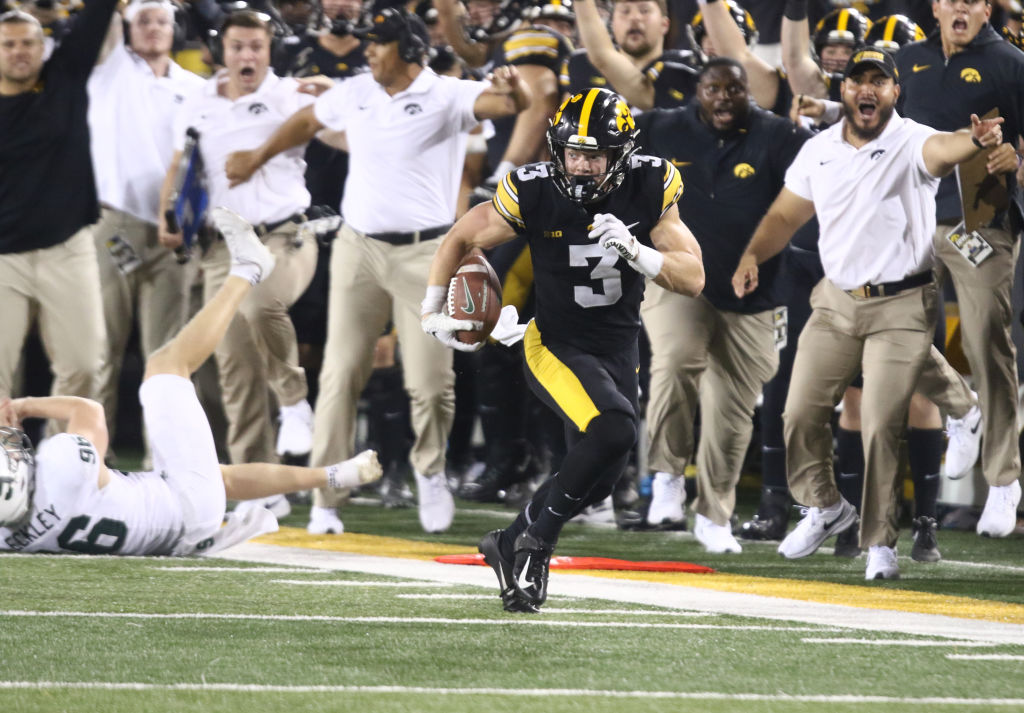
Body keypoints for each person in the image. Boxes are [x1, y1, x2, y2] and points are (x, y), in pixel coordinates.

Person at [224, 6, 530, 534]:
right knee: (340, 374)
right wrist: (256, 156)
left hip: (427, 253)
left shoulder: (446, 93)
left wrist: (515, 89)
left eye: (379, 43)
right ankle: (327, 497)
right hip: (358, 248)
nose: (368, 50)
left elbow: (506, 103)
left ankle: (429, 471)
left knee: (431, 384)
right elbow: (306, 121)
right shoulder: (358, 90)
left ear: (409, 50)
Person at [423, 88, 704, 612]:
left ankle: (508, 541)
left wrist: (639, 251)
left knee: (596, 480)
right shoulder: (534, 189)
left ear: (621, 154)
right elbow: (461, 237)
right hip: (553, 342)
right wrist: (433, 307)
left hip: (618, 348)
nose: (579, 166)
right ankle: (533, 548)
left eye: (593, 155)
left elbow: (693, 278)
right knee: (615, 428)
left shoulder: (650, 184)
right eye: (572, 153)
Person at [732, 48, 1004, 580]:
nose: (868, 89)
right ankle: (826, 506)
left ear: (895, 93)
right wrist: (750, 255)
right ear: (844, 91)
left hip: (903, 300)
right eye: (859, 80)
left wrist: (975, 139)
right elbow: (787, 213)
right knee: (798, 411)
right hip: (836, 300)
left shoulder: (910, 140)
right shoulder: (819, 151)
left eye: (880, 81)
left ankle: (879, 542)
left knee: (881, 422)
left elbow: (944, 150)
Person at [0, 207, 382, 556]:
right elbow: (89, 412)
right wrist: (25, 405)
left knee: (220, 479)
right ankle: (247, 269)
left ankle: (333, 475)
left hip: (178, 530)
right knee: (166, 366)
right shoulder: (59, 468)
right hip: (179, 504)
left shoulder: (9, 536)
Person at [631, 58, 810, 550]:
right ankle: (667, 475)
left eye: (734, 88)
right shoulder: (661, 127)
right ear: (698, 91)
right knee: (677, 357)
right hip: (677, 279)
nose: (724, 97)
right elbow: (614, 154)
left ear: (748, 91)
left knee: (732, 411)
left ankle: (714, 514)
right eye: (714, 88)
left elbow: (819, 178)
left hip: (754, 292)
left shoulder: (778, 135)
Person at [159, 10, 322, 474]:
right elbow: (179, 162)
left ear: (269, 50)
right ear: (221, 51)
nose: (247, 55)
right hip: (220, 246)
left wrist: (338, 96)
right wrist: (166, 214)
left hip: (284, 235)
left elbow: (338, 131)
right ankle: (258, 481)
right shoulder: (197, 101)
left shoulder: (291, 94)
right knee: (236, 370)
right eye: (238, 47)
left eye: (256, 47)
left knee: (258, 304)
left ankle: (293, 402)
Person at [896, 0, 1024, 538]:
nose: (960, 7)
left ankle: (1002, 480)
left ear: (986, 7)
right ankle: (961, 407)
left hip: (982, 221)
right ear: (936, 6)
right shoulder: (905, 61)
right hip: (910, 219)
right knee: (888, 328)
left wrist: (1014, 161)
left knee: (984, 339)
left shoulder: (1011, 63)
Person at [87, 0, 205, 458]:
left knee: (167, 356)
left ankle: (165, 459)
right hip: (112, 225)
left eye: (161, 21)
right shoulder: (109, 68)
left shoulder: (196, 87)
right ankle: (92, 453)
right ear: (126, 26)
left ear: (175, 30)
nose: (153, 29)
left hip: (174, 234)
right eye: (143, 21)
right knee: (101, 350)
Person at [0, 2, 117, 431]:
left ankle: (60, 465)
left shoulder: (64, 78)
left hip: (67, 248)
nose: (19, 51)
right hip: (2, 260)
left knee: (85, 366)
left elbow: (100, 12)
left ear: (44, 46)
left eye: (28, 43)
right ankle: (6, 472)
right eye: (8, 44)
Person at [567, 0, 699, 111]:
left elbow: (602, 57)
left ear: (665, 25)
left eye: (644, 11)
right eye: (625, 11)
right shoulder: (582, 63)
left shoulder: (685, 65)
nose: (634, 17)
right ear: (612, 25)